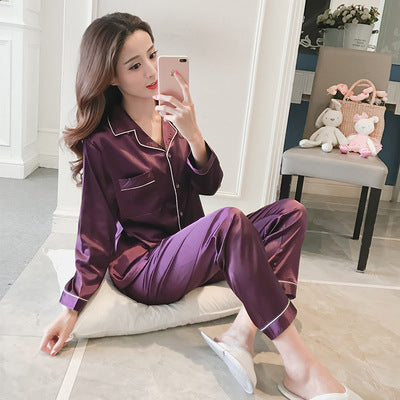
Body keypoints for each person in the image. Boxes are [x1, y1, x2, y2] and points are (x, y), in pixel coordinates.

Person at [40, 13, 362, 400]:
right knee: (229, 221)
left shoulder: (174, 117)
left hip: (195, 252)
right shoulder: (103, 143)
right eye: (135, 65)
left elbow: (210, 185)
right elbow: (93, 232)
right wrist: (72, 307)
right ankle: (300, 368)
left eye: (153, 55)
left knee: (291, 212)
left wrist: (193, 133)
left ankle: (241, 332)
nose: (151, 71)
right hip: (147, 267)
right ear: (111, 77)